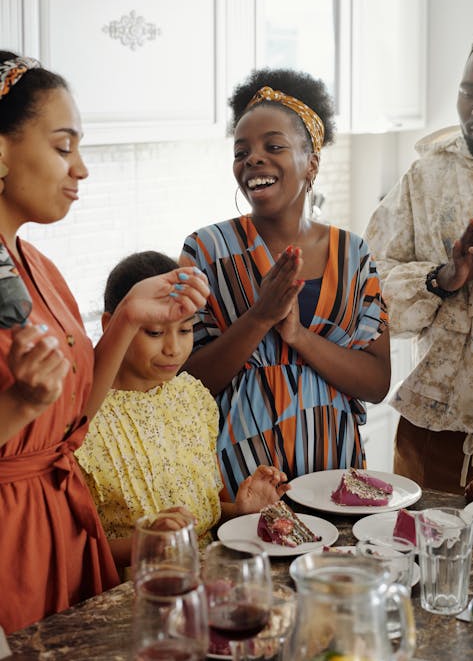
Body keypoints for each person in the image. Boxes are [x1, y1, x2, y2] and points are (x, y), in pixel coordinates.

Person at [0, 52, 209, 633]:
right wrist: (19, 404)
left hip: (59, 526)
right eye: (64, 147)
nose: (81, 169)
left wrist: (126, 321)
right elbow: (30, 413)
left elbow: (74, 421)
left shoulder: (37, 265)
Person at [180, 68, 391, 500]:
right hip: (240, 475)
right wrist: (259, 317)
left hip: (334, 467)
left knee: (332, 567)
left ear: (311, 160)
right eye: (242, 152)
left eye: (272, 146)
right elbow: (186, 385)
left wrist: (297, 336)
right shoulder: (206, 250)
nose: (253, 159)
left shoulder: (353, 254)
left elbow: (376, 382)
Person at [75, 251, 290, 571]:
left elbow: (206, 508)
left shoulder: (192, 397)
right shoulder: (83, 421)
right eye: (155, 332)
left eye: (185, 330)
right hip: (136, 593)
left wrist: (241, 511)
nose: (174, 348)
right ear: (113, 324)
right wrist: (148, 540)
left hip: (207, 578)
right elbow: (73, 548)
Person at [364, 28, 473, 495]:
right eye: (469, 92)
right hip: (432, 428)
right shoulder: (426, 175)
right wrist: (443, 277)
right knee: (419, 559)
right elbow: (368, 295)